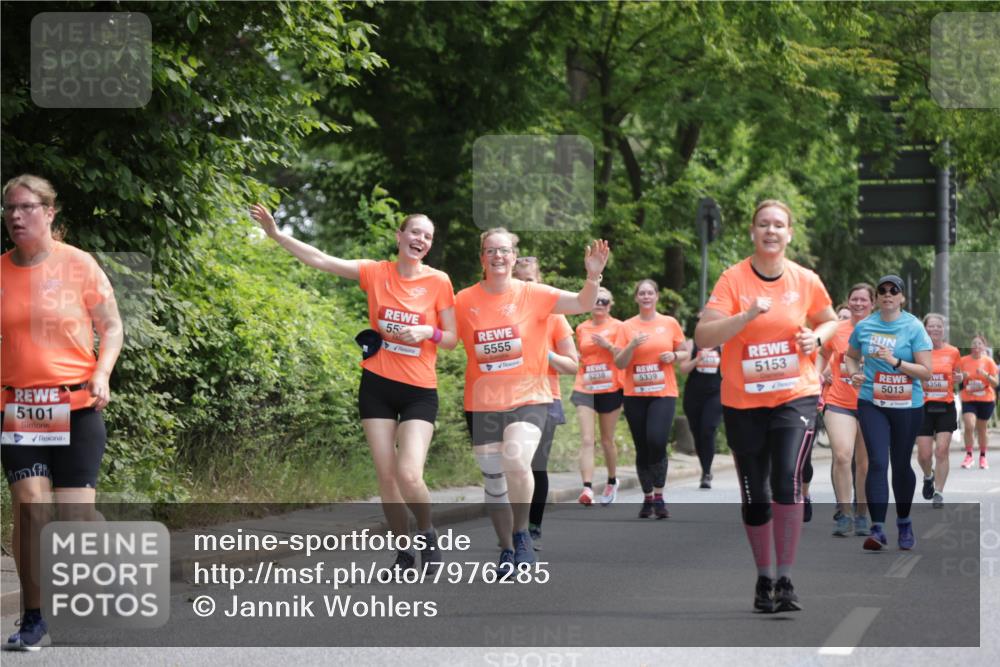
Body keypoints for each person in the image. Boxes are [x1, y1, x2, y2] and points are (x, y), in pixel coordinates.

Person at [250, 204, 457, 575]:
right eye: (414, 232)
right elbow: (323, 260)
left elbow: (453, 338)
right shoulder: (376, 273)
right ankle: (404, 553)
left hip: (419, 390)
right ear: (399, 237)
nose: (420, 240)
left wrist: (429, 332)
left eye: (427, 236)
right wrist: (277, 235)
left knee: (409, 473)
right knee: (387, 476)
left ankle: (426, 533)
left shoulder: (439, 281)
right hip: (377, 385)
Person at [695, 199, 838, 613]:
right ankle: (764, 578)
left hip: (795, 394)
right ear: (753, 233)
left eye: (778, 225)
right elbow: (704, 336)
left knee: (786, 483)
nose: (771, 231)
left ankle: (786, 579)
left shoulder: (805, 279)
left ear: (789, 234)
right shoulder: (732, 280)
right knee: (755, 494)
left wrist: (818, 337)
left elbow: (829, 320)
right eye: (763, 225)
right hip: (743, 401)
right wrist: (742, 317)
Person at [2, 175, 124, 650]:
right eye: (9, 208)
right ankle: (34, 619)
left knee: (74, 520)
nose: (15, 216)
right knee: (32, 508)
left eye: (27, 207)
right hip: (21, 406)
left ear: (50, 213)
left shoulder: (79, 265)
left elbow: (111, 326)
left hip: (76, 403)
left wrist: (103, 372)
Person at [454, 228, 608, 573]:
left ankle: (522, 533)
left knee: (517, 461)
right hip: (482, 402)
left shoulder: (534, 294)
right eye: (491, 250)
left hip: (530, 398)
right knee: (494, 483)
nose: (498, 256)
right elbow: (443, 335)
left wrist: (593, 275)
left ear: (513, 256)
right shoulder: (463, 300)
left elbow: (583, 303)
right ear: (482, 258)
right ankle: (507, 549)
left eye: (505, 250)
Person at [845, 275, 932, 552]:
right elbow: (850, 356)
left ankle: (904, 522)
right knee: (878, 462)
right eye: (882, 291)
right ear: (877, 298)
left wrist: (895, 361)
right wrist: (854, 374)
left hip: (908, 405)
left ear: (902, 297)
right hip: (872, 402)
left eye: (893, 291)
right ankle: (878, 529)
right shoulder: (865, 326)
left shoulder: (914, 327)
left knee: (901, 464)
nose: (887, 295)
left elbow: (926, 371)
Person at [511, 256, 578, 549]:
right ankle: (514, 527)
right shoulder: (502, 313)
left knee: (535, 466)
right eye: (520, 280)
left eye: (530, 280)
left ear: (538, 281)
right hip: (505, 397)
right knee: (510, 466)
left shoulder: (553, 314)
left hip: (544, 398)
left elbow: (573, 365)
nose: (525, 286)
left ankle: (531, 528)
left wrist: (545, 354)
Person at [614, 279, 688, 519]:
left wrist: (674, 355)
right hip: (635, 394)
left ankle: (659, 496)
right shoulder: (626, 327)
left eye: (650, 293)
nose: (646, 296)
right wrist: (632, 345)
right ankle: (647, 498)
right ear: (636, 298)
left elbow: (686, 351)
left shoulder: (669, 323)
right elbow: (620, 363)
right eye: (641, 293)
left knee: (656, 440)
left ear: (656, 296)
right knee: (642, 446)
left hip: (663, 393)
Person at [819, 285, 874, 536]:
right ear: (848, 302)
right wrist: (817, 376)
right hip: (839, 401)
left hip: (871, 404)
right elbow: (822, 353)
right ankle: (844, 513)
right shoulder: (837, 330)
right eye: (854, 299)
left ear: (872, 303)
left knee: (863, 464)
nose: (859, 303)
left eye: (864, 299)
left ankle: (861, 512)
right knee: (842, 455)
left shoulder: (882, 330)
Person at [570, 286, 624, 505]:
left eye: (604, 301)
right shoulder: (582, 328)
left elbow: (625, 356)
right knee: (586, 439)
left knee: (606, 440)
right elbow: (579, 355)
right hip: (585, 386)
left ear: (610, 305)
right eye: (596, 300)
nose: (599, 304)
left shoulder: (619, 327)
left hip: (611, 388)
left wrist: (608, 346)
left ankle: (612, 480)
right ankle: (587, 488)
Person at [915, 313, 962, 507]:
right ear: (924, 329)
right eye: (931, 326)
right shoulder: (918, 350)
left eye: (938, 327)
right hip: (923, 406)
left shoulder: (953, 352)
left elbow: (957, 374)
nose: (935, 329)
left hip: (945, 406)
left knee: (942, 451)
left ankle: (939, 493)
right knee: (925, 455)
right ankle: (928, 476)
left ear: (944, 330)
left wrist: (959, 378)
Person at [679, 312, 722, 489]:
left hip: (715, 393)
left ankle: (706, 472)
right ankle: (705, 467)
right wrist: (697, 359)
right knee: (697, 432)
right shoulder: (691, 344)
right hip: (694, 394)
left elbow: (729, 369)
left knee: (708, 429)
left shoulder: (722, 345)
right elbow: (683, 368)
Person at [958, 333, 998, 470]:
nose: (976, 346)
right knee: (969, 425)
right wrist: (962, 376)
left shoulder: (989, 362)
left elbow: (995, 383)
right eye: (974, 343)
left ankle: (982, 456)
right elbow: (955, 379)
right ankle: (969, 455)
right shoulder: (963, 360)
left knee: (982, 429)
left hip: (986, 399)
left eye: (979, 344)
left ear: (984, 347)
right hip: (969, 399)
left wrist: (985, 375)